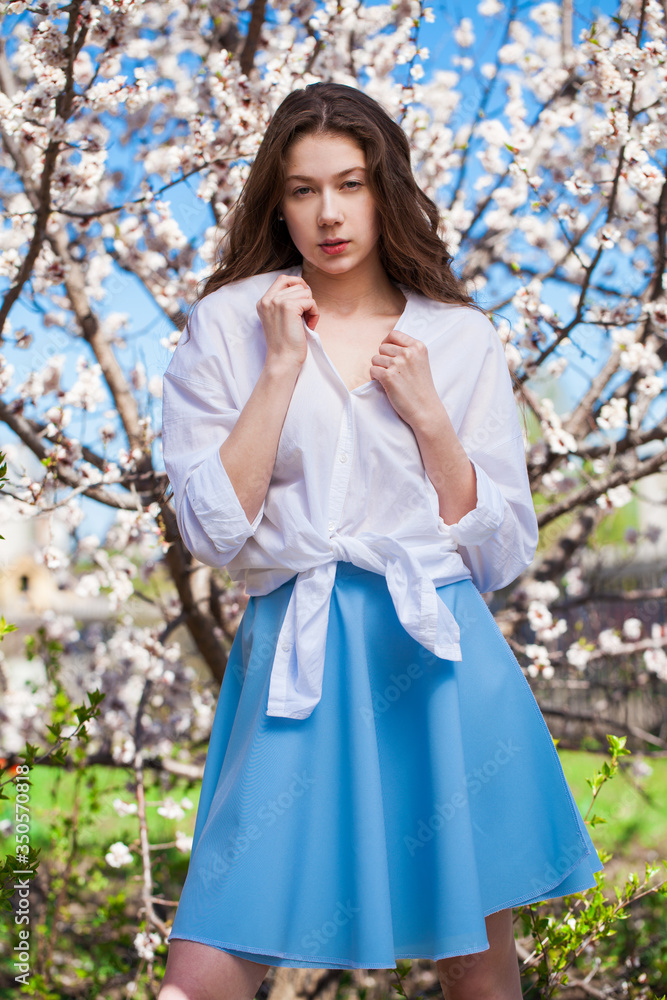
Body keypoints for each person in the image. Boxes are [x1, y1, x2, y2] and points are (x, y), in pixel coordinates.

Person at [158, 82, 602, 1000]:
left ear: (383, 188)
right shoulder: (230, 325)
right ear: (275, 202)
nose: (328, 214)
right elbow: (209, 531)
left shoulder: (459, 335)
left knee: (480, 977)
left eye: (350, 184)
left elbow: (500, 551)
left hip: (435, 657)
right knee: (204, 969)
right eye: (303, 189)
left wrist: (431, 418)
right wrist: (279, 368)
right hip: (297, 653)